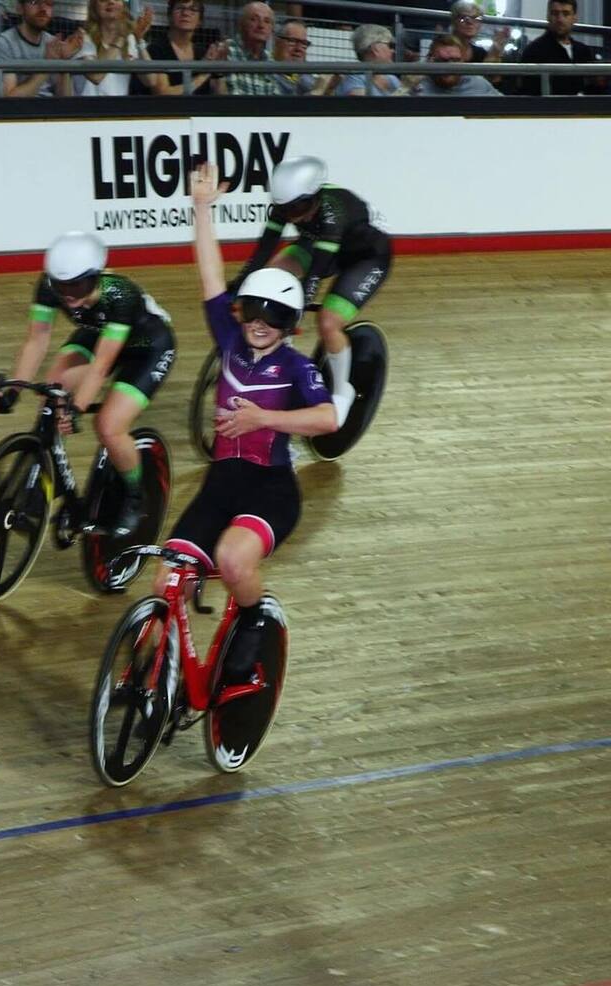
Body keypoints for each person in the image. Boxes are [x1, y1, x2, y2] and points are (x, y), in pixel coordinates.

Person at [159, 161, 336, 683]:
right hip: (220, 486)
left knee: (233, 563)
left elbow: (328, 419)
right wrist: (201, 208)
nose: (261, 324)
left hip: (270, 490)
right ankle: (161, 674)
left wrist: (267, 417)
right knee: (164, 579)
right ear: (241, 314)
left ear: (292, 326)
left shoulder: (298, 367)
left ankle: (255, 623)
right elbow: (211, 275)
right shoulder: (231, 339)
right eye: (253, 312)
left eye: (274, 318)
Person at [0, 232, 176, 537]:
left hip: (147, 346)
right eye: (61, 286)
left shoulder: (120, 294)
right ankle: (38, 478)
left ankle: (134, 497)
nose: (69, 295)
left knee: (109, 426)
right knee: (53, 387)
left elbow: (100, 367)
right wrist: (13, 390)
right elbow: (36, 341)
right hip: (98, 331)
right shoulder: (48, 286)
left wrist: (76, 408)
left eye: (79, 285)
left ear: (96, 277)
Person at [228, 156, 391, 428]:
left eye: (300, 207)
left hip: (366, 257)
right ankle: (277, 353)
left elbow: (317, 272)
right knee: (266, 277)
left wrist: (295, 311)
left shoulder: (333, 213)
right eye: (287, 209)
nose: (294, 215)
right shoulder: (288, 206)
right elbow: (263, 251)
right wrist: (240, 286)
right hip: (320, 246)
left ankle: (342, 392)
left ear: (315, 195)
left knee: (328, 321)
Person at [0, 0, 83, 98]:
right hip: (24, 112)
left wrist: (64, 63)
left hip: (52, 111)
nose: (43, 9)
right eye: (34, 2)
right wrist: (48, 64)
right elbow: (7, 101)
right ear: (19, 8)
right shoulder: (3, 44)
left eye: (48, 4)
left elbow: (65, 99)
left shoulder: (52, 43)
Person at [517, 0, 600, 95]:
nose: (560, 19)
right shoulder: (534, 51)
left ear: (574, 17)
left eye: (566, 14)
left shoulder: (583, 51)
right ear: (548, 17)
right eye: (555, 13)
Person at [75, 0, 156, 97]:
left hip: (118, 109)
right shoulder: (82, 37)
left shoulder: (129, 38)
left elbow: (151, 80)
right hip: (86, 108)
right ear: (94, 7)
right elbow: (96, 76)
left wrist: (139, 40)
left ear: (123, 6)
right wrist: (121, 37)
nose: (110, 1)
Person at [148, 0, 225, 96]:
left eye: (193, 9)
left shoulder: (203, 52)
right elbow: (163, 93)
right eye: (180, 8)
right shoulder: (156, 49)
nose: (186, 13)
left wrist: (219, 68)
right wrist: (204, 74)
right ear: (170, 16)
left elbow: (221, 95)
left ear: (200, 21)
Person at [333, 23, 409, 96]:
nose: (392, 51)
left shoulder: (391, 78)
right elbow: (366, 106)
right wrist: (405, 87)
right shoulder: (354, 77)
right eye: (389, 45)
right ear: (375, 49)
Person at [413, 33, 501, 94]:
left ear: (463, 61)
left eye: (455, 60)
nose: (449, 67)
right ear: (430, 60)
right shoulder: (416, 84)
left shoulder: (478, 83)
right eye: (443, 61)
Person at [222, 1, 277, 96]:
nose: (261, 26)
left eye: (267, 21)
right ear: (241, 24)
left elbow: (275, 100)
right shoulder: (226, 50)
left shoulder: (270, 60)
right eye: (254, 19)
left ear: (272, 29)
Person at [272, 18, 333, 95]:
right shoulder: (267, 73)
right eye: (292, 41)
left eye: (304, 43)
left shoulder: (304, 74)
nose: (299, 49)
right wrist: (317, 92)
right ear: (277, 42)